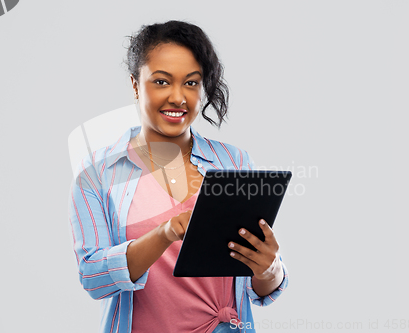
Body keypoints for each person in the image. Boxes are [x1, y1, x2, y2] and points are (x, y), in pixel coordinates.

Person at [68, 20, 288, 333]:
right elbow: (93, 279)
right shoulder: (97, 175)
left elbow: (263, 288)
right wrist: (164, 233)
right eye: (161, 82)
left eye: (191, 83)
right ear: (135, 84)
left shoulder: (235, 162)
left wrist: (269, 268)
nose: (178, 98)